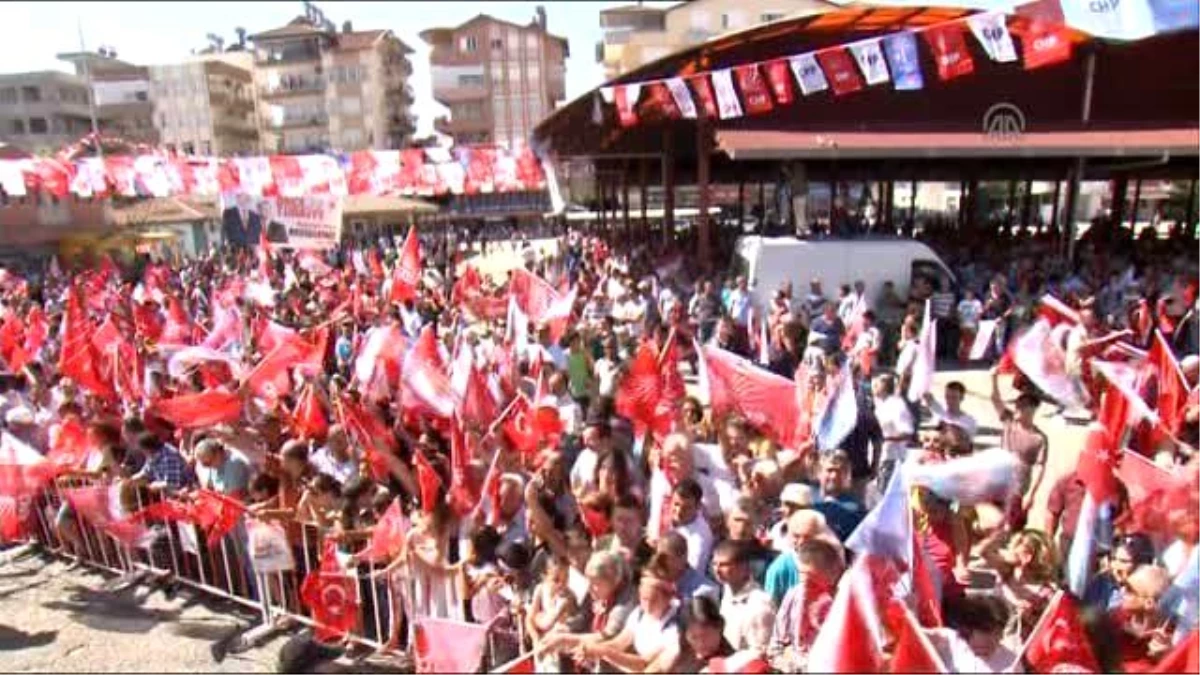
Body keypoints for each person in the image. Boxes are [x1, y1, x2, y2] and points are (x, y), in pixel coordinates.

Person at [711, 540, 774, 655]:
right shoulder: (727, 589)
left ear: (743, 567)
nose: (717, 570)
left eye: (724, 565)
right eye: (714, 564)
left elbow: (760, 653)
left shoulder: (759, 605)